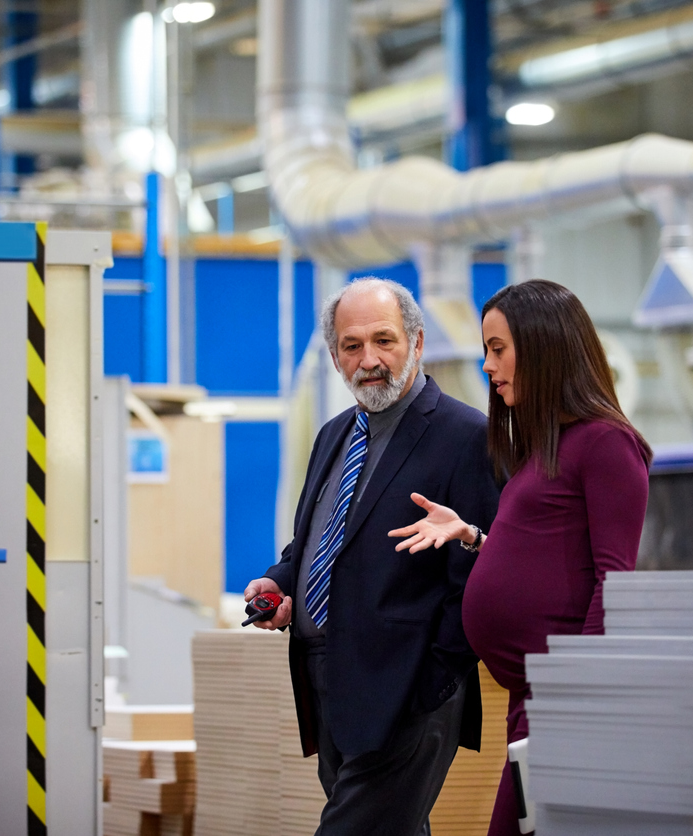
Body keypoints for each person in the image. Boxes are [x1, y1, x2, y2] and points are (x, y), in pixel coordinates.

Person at [388, 279, 651, 836]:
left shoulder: (605, 443)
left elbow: (614, 580)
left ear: (544, 346)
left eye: (498, 349)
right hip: (531, 696)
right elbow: (547, 556)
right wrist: (475, 540)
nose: (486, 365)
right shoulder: (548, 446)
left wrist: (574, 697)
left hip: (559, 699)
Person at [243, 277, 501, 836]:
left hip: (407, 683)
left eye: (384, 341)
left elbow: (479, 570)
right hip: (327, 677)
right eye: (352, 346)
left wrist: (435, 679)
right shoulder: (334, 435)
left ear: (416, 342)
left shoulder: (465, 436)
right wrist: (278, 583)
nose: (370, 360)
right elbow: (316, 541)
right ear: (335, 356)